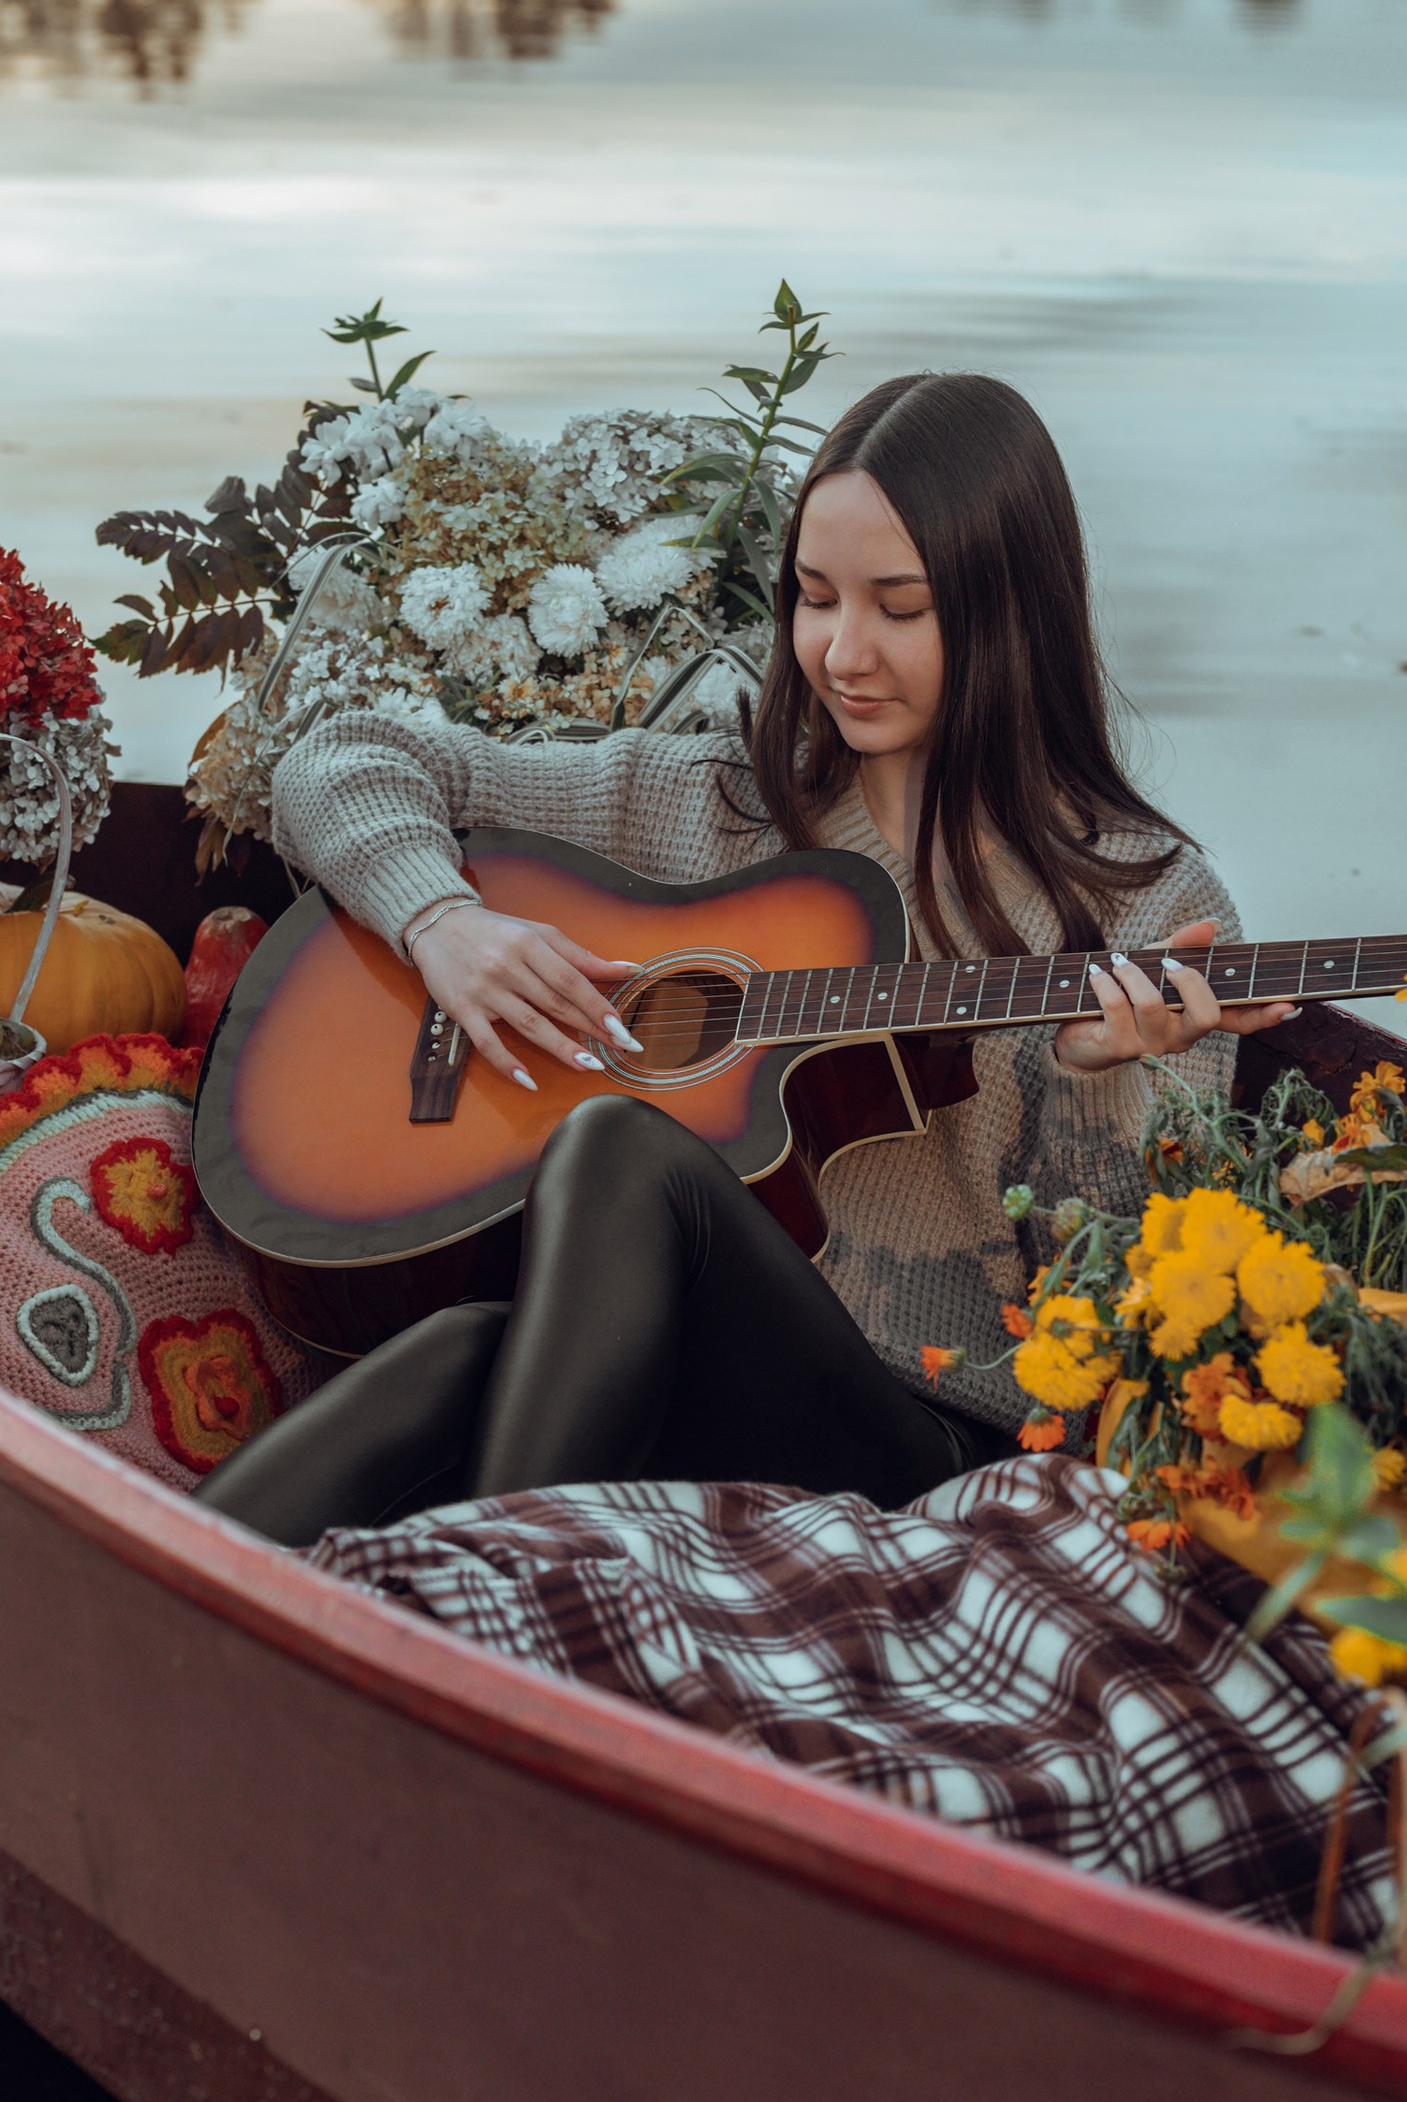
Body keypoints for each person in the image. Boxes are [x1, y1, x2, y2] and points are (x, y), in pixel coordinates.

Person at [202, 370, 1290, 1547]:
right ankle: (146, 1586)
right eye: (814, 598)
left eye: (899, 606)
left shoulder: (1152, 904)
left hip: (923, 1437)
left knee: (621, 1145)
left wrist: (1098, 1082)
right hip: (682, 1368)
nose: (842, 651)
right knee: (464, 1345)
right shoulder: (711, 801)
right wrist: (444, 922)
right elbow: (340, 757)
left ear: (1006, 609)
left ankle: (480, 1603)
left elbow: (1130, 1332)